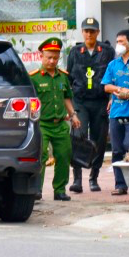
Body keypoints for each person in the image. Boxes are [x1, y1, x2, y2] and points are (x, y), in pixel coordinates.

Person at [29, 37, 82, 201]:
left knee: (64, 155)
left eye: (55, 58)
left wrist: (73, 115)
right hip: (41, 124)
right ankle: (36, 190)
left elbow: (67, 97)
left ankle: (59, 190)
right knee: (41, 156)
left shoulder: (63, 77)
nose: (52, 61)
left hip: (60, 125)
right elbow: (31, 102)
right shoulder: (34, 77)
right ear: (41, 56)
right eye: (48, 57)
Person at [66, 17, 115, 193]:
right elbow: (68, 79)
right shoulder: (75, 52)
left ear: (98, 33)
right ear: (82, 32)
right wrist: (69, 107)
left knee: (99, 140)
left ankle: (94, 177)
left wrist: (111, 99)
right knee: (78, 137)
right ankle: (77, 179)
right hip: (80, 102)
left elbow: (112, 75)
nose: (89, 34)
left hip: (100, 101)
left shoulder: (107, 51)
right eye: (86, 31)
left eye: (92, 31)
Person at [101, 29, 129, 195]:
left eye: (121, 42)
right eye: (117, 41)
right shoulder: (113, 65)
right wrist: (119, 89)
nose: (118, 45)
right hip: (116, 112)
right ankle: (120, 185)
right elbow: (106, 86)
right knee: (117, 149)